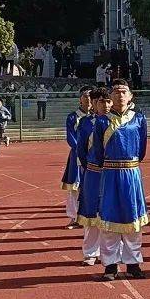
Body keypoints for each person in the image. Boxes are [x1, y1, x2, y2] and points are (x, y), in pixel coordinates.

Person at [90, 79, 149, 281]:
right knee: (109, 219)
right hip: (110, 173)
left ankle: (133, 264)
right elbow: (98, 151)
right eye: (116, 91)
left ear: (130, 96)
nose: (120, 95)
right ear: (110, 96)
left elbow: (142, 148)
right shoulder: (102, 121)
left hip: (131, 173)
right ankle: (110, 265)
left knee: (133, 219)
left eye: (124, 91)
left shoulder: (139, 119)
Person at [75, 89, 108, 265]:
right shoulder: (86, 123)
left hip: (112, 172)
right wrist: (88, 167)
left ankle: (110, 251)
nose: (104, 105)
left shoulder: (116, 121)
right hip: (93, 172)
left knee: (111, 211)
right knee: (91, 213)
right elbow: (81, 149)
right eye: (99, 101)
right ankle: (90, 252)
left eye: (107, 101)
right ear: (93, 104)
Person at [60, 88, 92, 225]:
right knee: (74, 187)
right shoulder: (73, 117)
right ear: (80, 99)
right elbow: (70, 137)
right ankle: (74, 217)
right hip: (77, 156)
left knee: (92, 186)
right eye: (85, 96)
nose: (88, 99)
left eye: (90, 96)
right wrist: (81, 149)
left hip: (94, 156)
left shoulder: (98, 118)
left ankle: (90, 216)